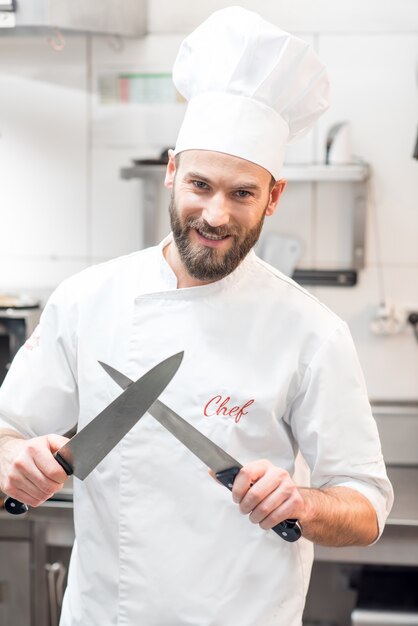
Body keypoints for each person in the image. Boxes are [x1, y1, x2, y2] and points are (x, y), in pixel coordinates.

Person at [0, 7, 393, 626]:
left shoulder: (312, 331)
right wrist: (11, 463)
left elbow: (367, 507)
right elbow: (7, 431)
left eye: (242, 193)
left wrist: (304, 503)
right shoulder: (86, 300)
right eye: (201, 185)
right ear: (172, 172)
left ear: (274, 197)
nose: (215, 215)